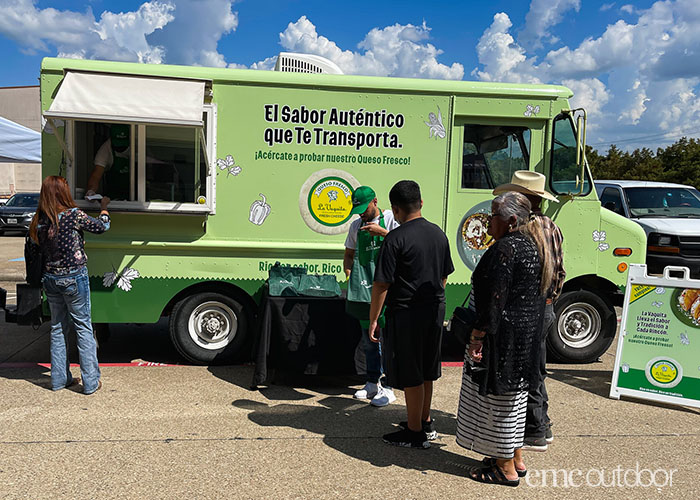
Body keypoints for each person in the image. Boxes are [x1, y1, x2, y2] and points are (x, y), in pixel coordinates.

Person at [456, 191, 553, 487]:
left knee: (499, 402)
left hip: (503, 340)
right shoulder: (534, 244)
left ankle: (506, 468)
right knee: (514, 401)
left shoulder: (506, 250)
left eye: (493, 216)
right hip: (523, 340)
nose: (487, 223)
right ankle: (515, 458)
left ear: (510, 220)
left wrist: (477, 336)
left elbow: (494, 302)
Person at [369, 180, 454, 448]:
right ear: (421, 203)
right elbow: (443, 277)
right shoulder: (439, 234)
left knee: (411, 372)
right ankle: (425, 421)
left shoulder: (395, 238)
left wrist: (374, 319)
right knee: (427, 370)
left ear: (395, 210)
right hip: (434, 309)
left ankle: (415, 432)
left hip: (406, 313)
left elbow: (382, 284)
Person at [493, 171, 566, 451]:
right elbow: (560, 271)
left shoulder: (526, 229)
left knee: (526, 368)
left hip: (528, 308)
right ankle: (541, 423)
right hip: (546, 304)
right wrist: (550, 299)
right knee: (538, 366)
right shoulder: (551, 226)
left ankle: (533, 428)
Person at [29, 176, 111, 394]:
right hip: (74, 277)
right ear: (62, 193)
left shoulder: (40, 219)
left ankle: (58, 380)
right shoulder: (73, 215)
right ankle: (91, 383)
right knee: (83, 327)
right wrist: (103, 207)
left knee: (57, 328)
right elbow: (102, 227)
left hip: (51, 279)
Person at [344, 186, 399, 407]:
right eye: (356, 209)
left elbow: (404, 243)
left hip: (389, 289)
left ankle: (389, 386)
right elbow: (348, 254)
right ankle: (371, 380)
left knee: (387, 340)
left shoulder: (391, 220)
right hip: (365, 290)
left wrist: (383, 233)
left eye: (363, 208)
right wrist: (350, 274)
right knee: (369, 339)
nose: (360, 214)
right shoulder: (356, 226)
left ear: (375, 201)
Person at [86, 124, 131, 201]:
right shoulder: (105, 150)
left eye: (122, 144)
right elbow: (96, 175)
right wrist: (91, 192)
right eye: (117, 144)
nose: (120, 147)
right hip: (113, 193)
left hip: (135, 193)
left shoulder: (137, 144)